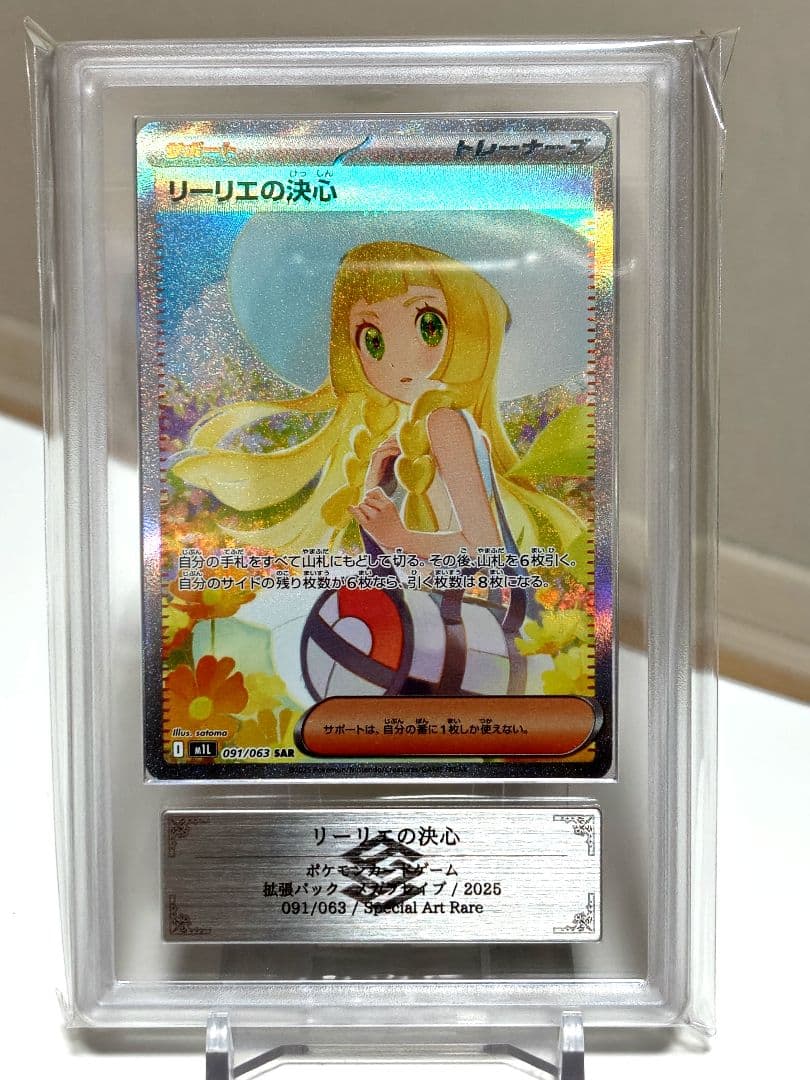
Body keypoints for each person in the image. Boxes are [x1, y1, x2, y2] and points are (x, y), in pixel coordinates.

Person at [170, 240, 586, 560]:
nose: (397, 361)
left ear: (473, 321)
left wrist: (399, 537)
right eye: (373, 339)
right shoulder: (418, 431)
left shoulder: (445, 423)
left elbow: (486, 552)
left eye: (428, 325)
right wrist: (376, 487)